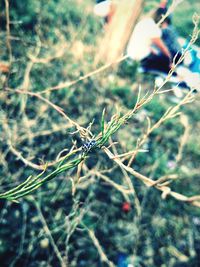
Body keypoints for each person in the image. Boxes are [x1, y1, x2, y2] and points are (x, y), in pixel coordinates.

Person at [127, 8, 172, 74]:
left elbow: (143, 42)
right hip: (141, 58)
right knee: (164, 62)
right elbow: (162, 48)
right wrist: (170, 59)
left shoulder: (145, 22)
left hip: (131, 54)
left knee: (156, 55)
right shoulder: (154, 28)